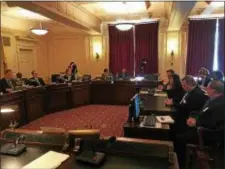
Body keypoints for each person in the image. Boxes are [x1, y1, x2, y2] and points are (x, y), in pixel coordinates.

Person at [175, 80, 225, 168]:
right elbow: (201, 112)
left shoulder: (221, 105)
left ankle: (181, 164)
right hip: (199, 127)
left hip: (206, 134)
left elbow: (213, 124)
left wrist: (196, 123)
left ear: (213, 91)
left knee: (178, 139)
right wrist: (193, 118)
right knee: (177, 130)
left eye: (208, 88)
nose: (205, 89)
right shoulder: (213, 99)